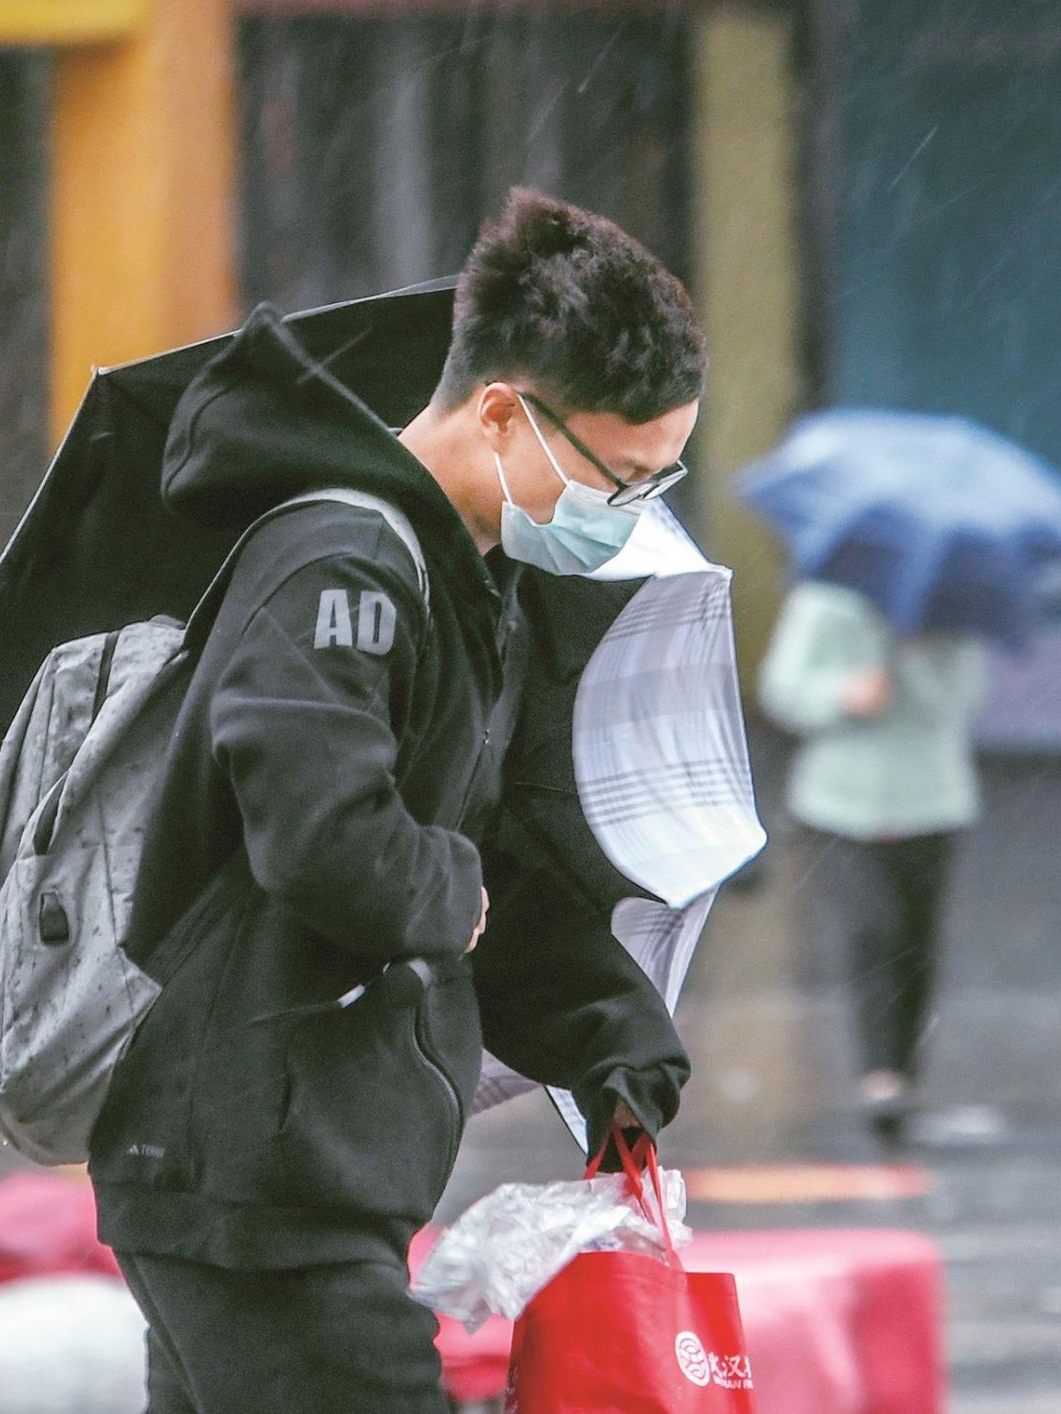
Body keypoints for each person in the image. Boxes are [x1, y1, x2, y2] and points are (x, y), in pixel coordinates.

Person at [87, 191, 706, 1412]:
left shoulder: (463, 579)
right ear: (501, 413)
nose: (627, 515)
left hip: (295, 1173)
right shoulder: (342, 563)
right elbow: (325, 835)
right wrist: (452, 887)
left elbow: (469, 863)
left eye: (657, 481)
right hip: (257, 1179)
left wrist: (609, 1038)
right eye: (618, 477)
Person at [758, 580, 988, 1144]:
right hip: (839, 806)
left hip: (931, 803)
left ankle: (903, 1072)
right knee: (872, 930)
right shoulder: (823, 602)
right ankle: (880, 1075)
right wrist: (843, 695)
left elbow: (961, 699)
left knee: (916, 941)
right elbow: (782, 689)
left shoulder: (951, 611)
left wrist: (914, 659)